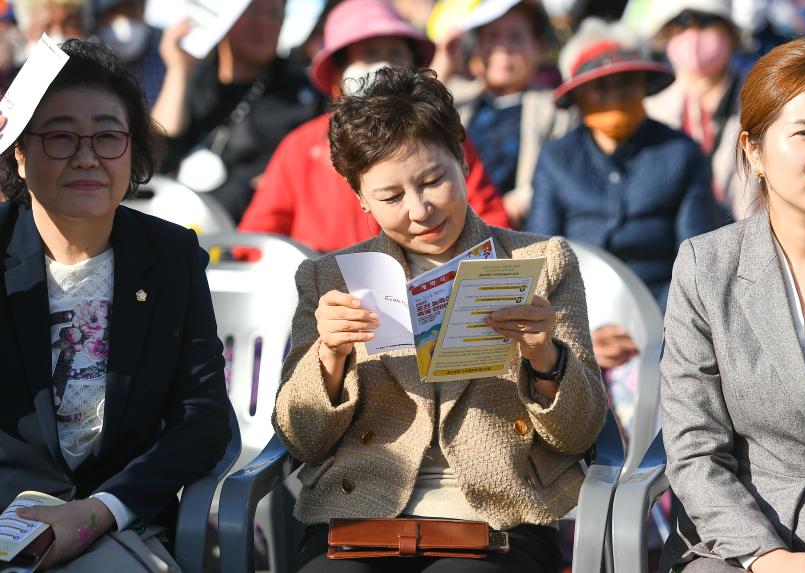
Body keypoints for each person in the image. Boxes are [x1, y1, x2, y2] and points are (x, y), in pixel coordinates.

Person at [272, 66, 607, 573]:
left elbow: (580, 434)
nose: (420, 209)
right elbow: (301, 439)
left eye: (433, 180)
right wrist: (329, 358)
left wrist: (545, 357)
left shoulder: (540, 261)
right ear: (360, 197)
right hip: (360, 514)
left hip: (501, 516)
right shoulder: (330, 279)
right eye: (390, 197)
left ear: (462, 159)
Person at [0, 40, 231, 571]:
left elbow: (203, 418)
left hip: (117, 527)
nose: (87, 157)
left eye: (107, 136)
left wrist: (100, 510)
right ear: (18, 149)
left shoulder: (172, 257)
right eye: (60, 137)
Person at [660, 38, 805, 573]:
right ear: (753, 150)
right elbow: (694, 445)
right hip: (741, 541)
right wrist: (764, 555)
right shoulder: (707, 266)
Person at [238, 0, 510, 253]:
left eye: (395, 53)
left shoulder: (439, 133)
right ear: (337, 75)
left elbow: (491, 222)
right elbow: (256, 242)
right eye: (369, 54)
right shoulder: (301, 147)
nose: (384, 66)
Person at [526, 18, 719, 370]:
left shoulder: (680, 152)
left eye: (626, 83)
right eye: (600, 87)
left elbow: (696, 258)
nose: (614, 96)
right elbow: (542, 259)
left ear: (644, 86)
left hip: (666, 315)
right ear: (579, 97)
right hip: (578, 311)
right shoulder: (557, 159)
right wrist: (578, 335)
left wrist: (656, 331)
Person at [151, 0, 323, 222]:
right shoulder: (195, 79)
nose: (263, 24)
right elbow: (159, 153)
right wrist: (178, 72)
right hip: (174, 223)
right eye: (251, 11)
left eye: (274, 15)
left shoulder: (301, 94)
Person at [450, 0, 573, 228]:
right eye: (492, 36)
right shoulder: (454, 99)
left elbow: (561, 172)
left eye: (516, 37)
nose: (502, 48)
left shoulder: (557, 109)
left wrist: (518, 203)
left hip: (518, 230)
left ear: (539, 47)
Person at [644, 0, 748, 221]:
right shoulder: (650, 106)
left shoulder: (763, 99)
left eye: (705, 21)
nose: (693, 35)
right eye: (681, 24)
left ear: (729, 32)